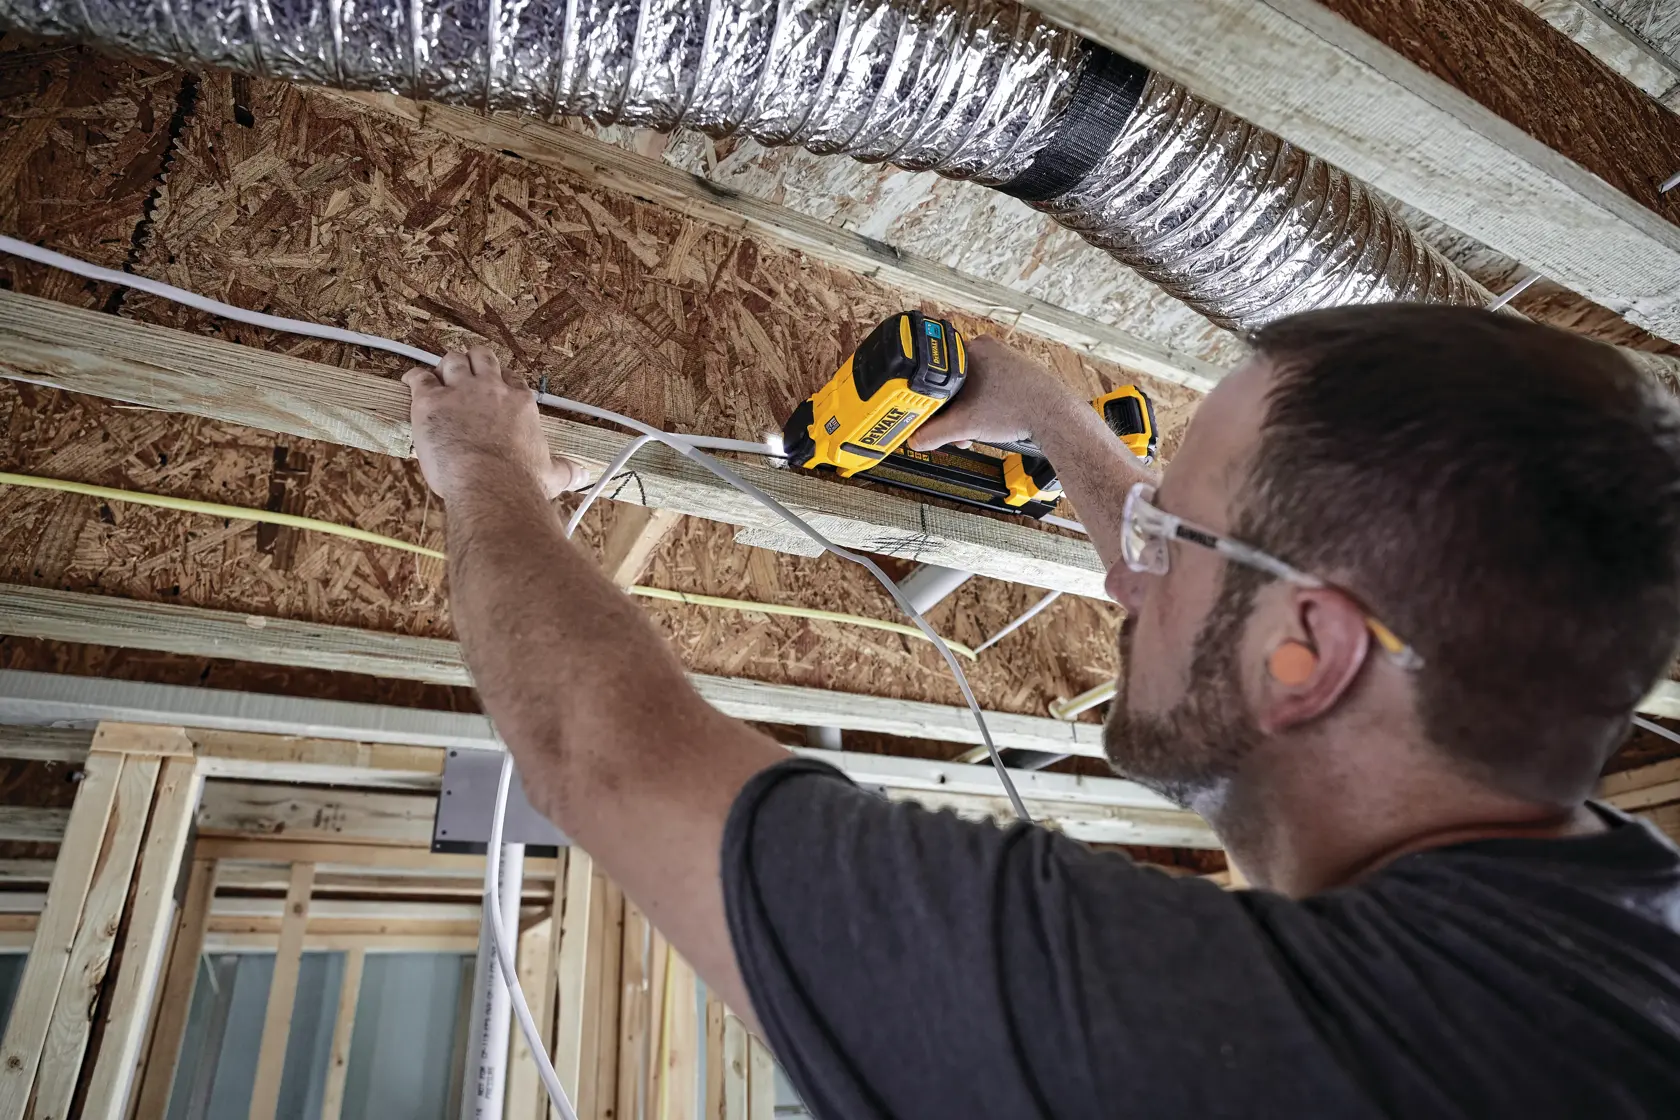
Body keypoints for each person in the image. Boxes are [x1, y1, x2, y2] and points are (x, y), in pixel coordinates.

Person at [404, 304, 1680, 1117]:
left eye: (1169, 543)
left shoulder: (1230, 1053)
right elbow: (1229, 586)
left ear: (1309, 658)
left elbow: (608, 756)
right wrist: (1063, 428)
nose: (1124, 577)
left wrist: (481, 466)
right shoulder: (1617, 947)